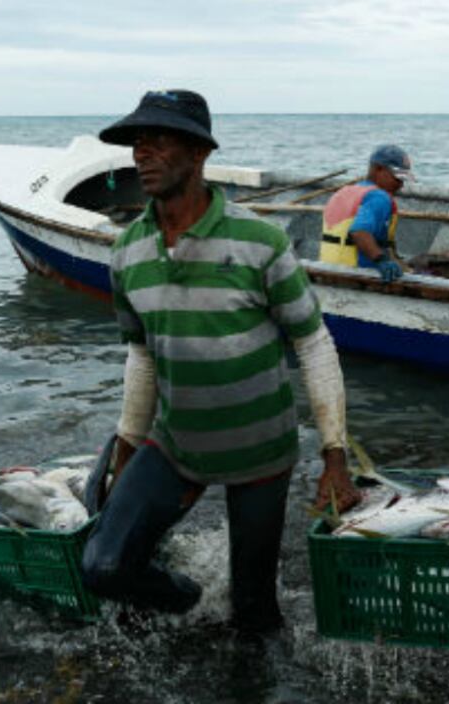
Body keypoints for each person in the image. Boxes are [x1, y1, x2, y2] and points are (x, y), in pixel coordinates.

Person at [80, 89, 361, 633]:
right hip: (176, 442)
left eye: (160, 141)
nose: (144, 154)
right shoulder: (127, 252)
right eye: (139, 143)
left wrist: (334, 455)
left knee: (255, 614)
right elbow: (141, 354)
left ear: (198, 154)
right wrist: (125, 450)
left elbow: (313, 343)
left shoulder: (261, 240)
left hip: (260, 449)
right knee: (103, 566)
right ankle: (187, 603)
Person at [318, 144, 415, 282]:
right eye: (398, 178)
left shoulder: (343, 192)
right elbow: (358, 232)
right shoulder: (379, 197)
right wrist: (381, 261)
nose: (401, 185)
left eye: (403, 180)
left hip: (327, 270)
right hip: (356, 275)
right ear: (379, 169)